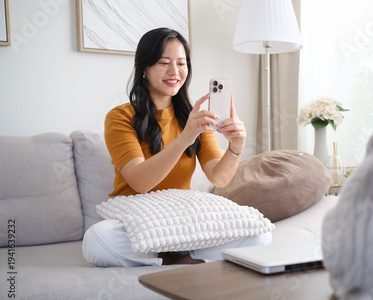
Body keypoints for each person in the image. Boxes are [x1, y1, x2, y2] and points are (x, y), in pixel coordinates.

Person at [82, 28, 272, 267]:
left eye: (181, 63)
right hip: (137, 216)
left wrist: (236, 147)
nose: (174, 72)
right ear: (144, 69)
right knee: (97, 240)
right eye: (164, 63)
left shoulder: (195, 117)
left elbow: (219, 177)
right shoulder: (120, 117)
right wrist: (185, 138)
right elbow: (141, 183)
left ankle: (178, 256)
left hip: (181, 219)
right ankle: (171, 257)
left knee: (260, 234)